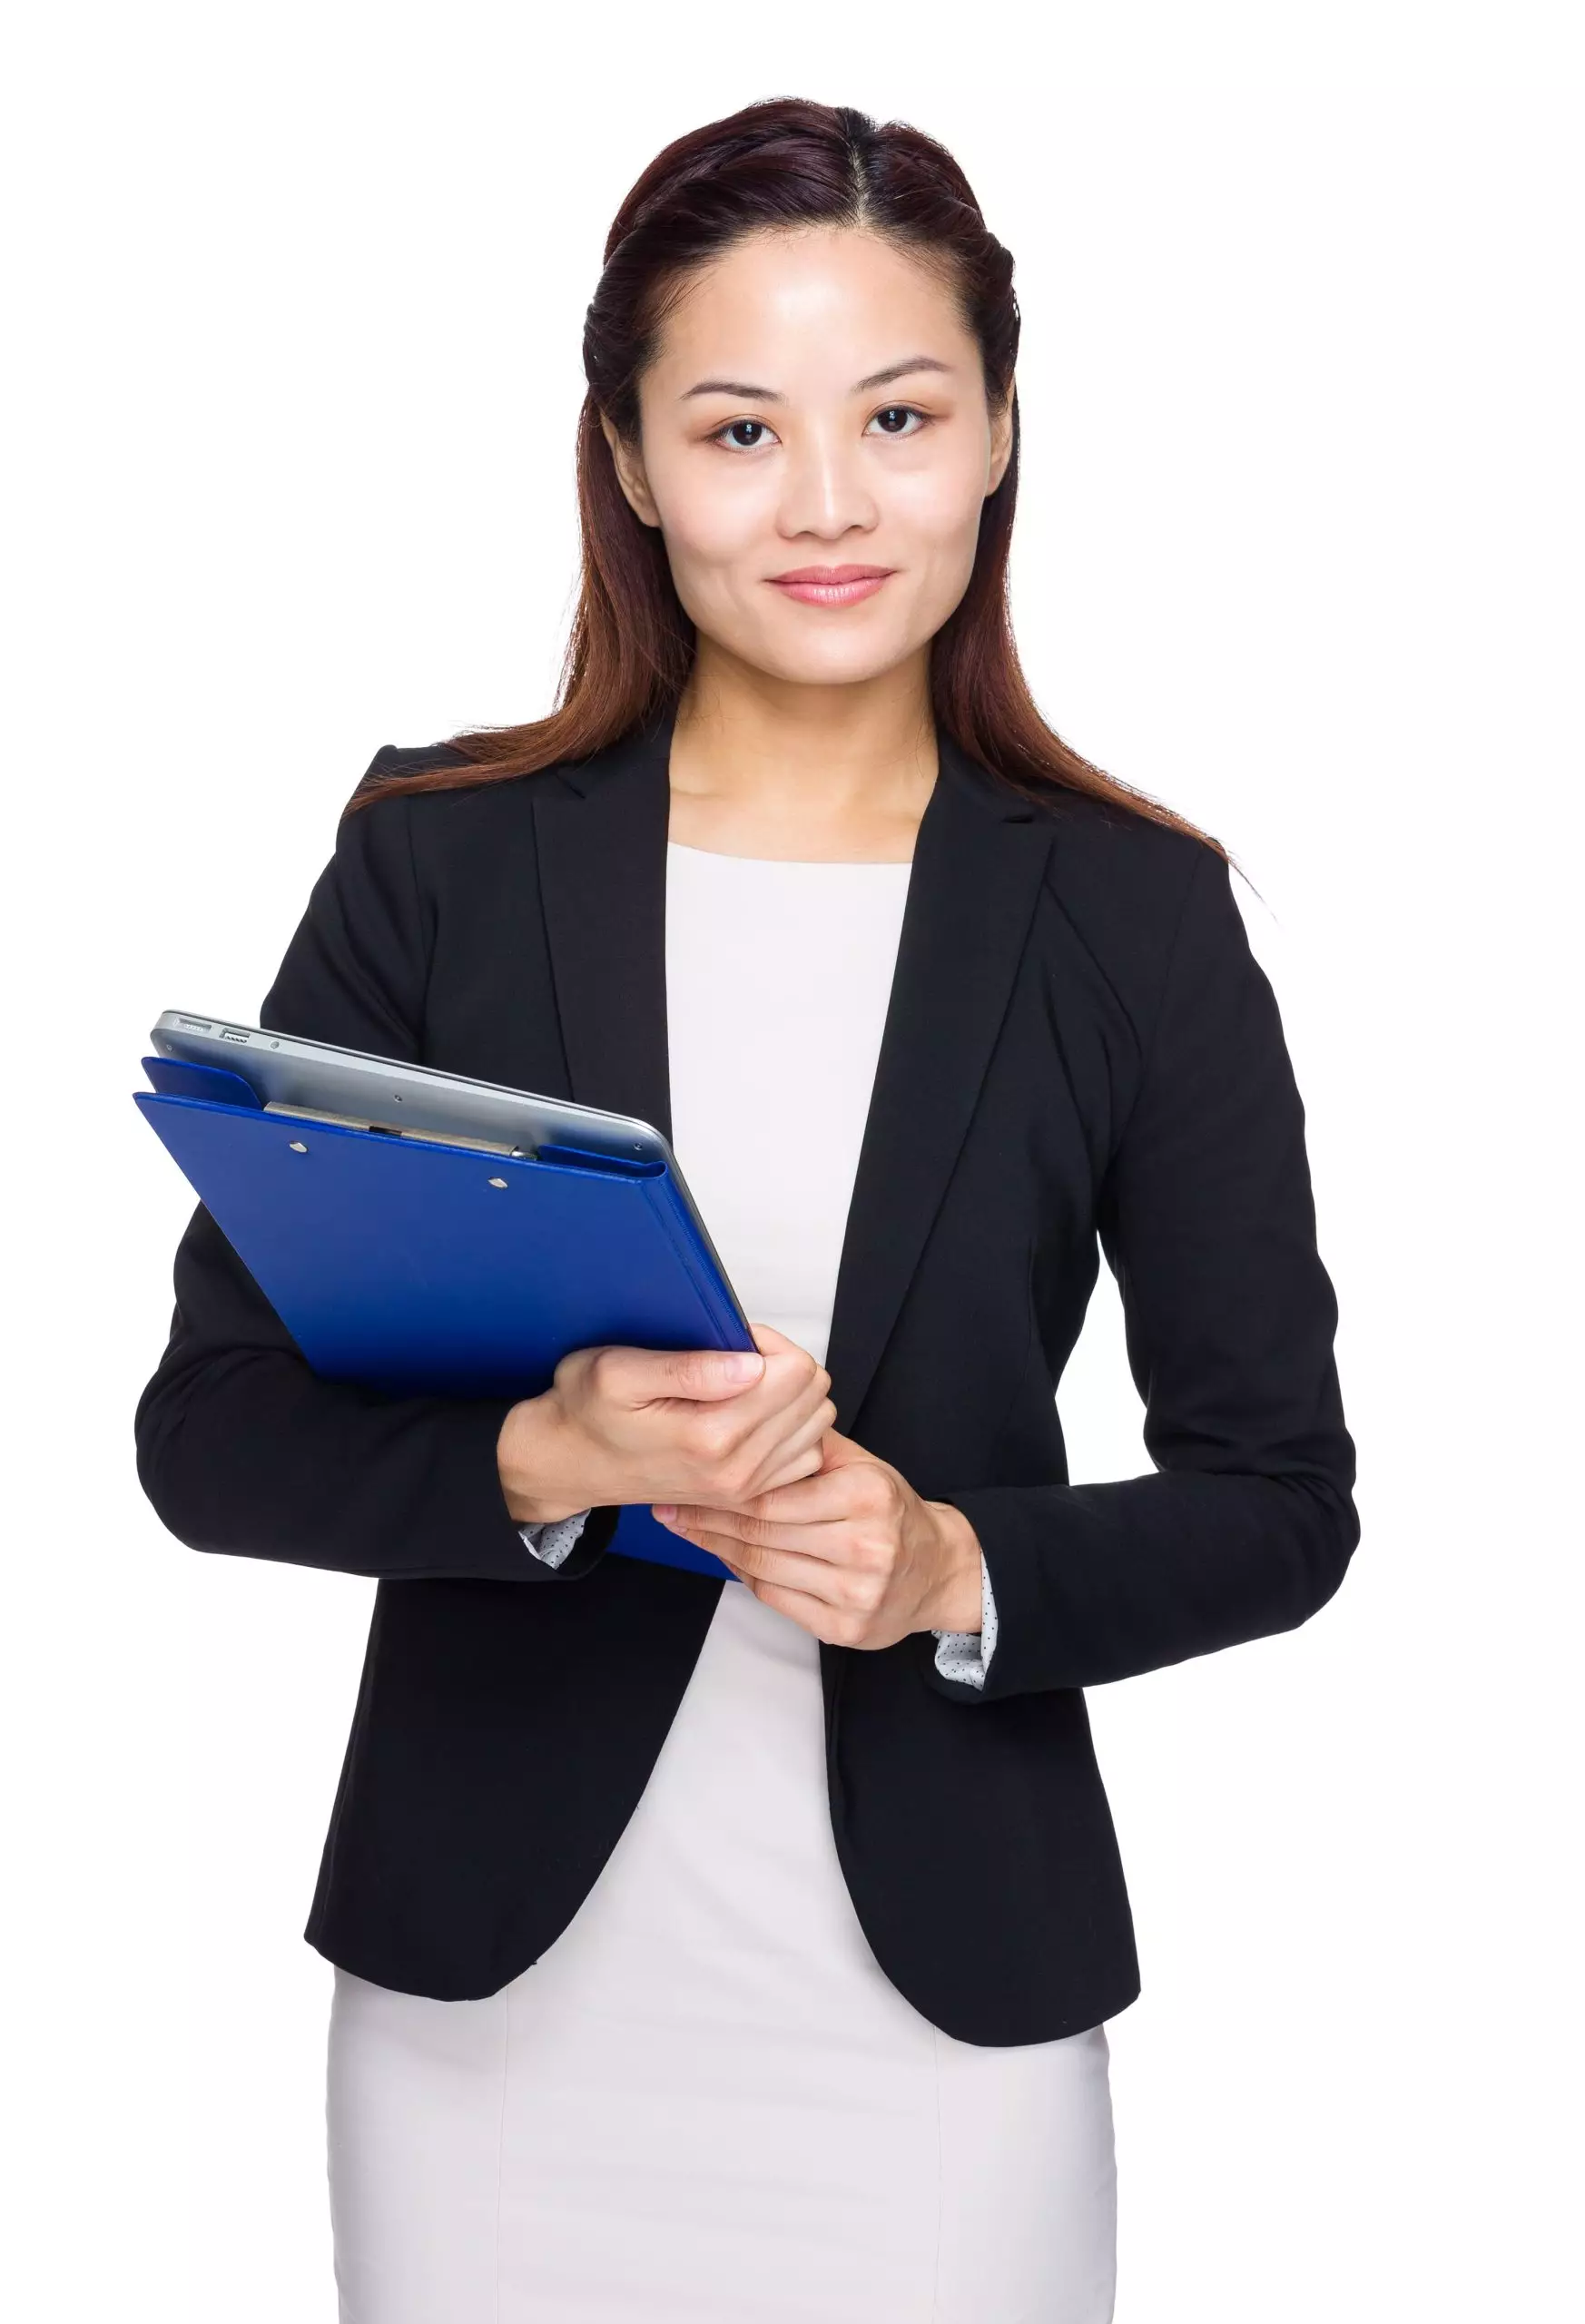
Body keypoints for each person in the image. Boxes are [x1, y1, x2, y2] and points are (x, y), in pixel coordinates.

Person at [133, 96, 1359, 2324]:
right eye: (735, 426)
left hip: (939, 2032)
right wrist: (550, 1462)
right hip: (495, 2032)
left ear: (997, 431)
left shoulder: (1137, 920)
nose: (824, 501)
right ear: (625, 454)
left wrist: (952, 1562)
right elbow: (209, 1435)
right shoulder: (443, 855)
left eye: (898, 413)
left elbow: (1280, 1496)